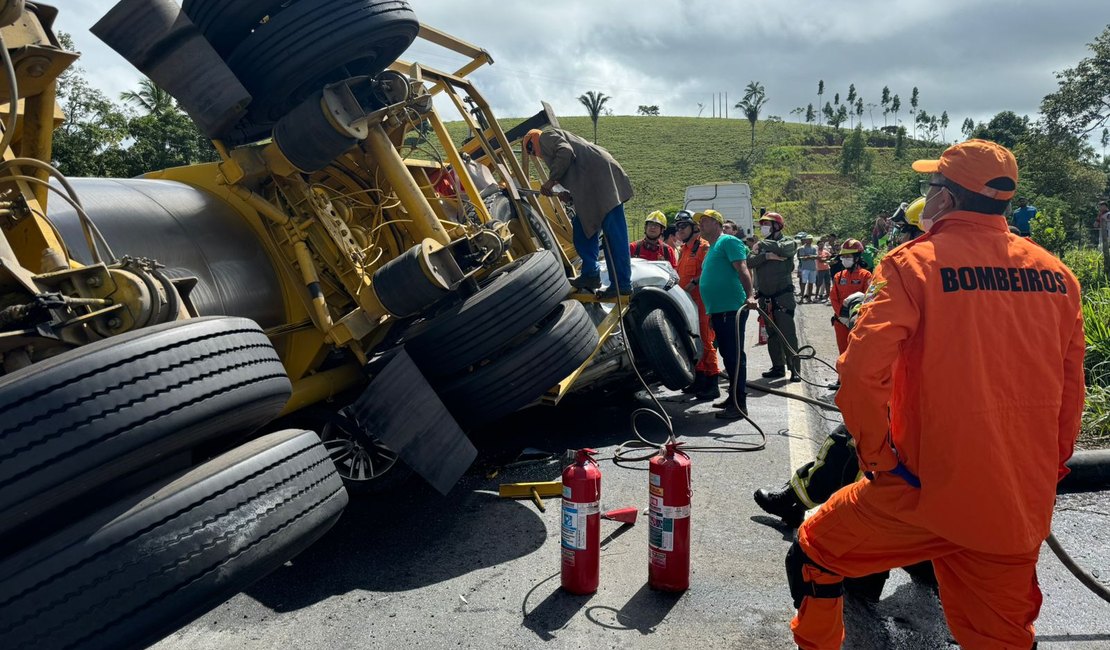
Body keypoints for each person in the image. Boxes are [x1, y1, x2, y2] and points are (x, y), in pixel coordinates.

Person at [786, 139, 1085, 650]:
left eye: (932, 186)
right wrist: (1042, 475)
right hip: (1012, 502)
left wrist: (880, 461)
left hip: (919, 491)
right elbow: (1070, 393)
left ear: (944, 200)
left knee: (814, 553)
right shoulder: (1058, 276)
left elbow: (859, 375)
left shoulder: (911, 265)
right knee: (1003, 638)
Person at [523, 128, 633, 299]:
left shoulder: (546, 136)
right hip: (592, 183)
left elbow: (566, 152)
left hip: (603, 181)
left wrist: (551, 181)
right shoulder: (550, 148)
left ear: (533, 139)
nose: (534, 154)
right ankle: (590, 274)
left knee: (614, 235)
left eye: (530, 148)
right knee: (582, 229)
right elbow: (575, 168)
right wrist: (567, 193)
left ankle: (623, 284)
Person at [697, 209, 757, 419]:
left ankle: (739, 405)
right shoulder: (712, 248)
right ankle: (732, 398)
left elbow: (742, 268)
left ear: (716, 223)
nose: (700, 225)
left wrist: (750, 295)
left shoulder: (728, 241)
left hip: (732, 309)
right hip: (720, 311)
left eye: (704, 221)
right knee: (728, 356)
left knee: (734, 357)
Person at [673, 210, 721, 400]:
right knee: (693, 340)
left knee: (706, 341)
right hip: (687, 303)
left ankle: (713, 382)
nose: (680, 230)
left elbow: (711, 270)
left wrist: (694, 282)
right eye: (677, 227)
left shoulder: (703, 247)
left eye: (683, 226)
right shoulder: (684, 249)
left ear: (694, 227)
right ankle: (699, 380)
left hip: (702, 303)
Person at [747, 212, 800, 382]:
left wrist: (762, 245)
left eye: (767, 224)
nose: (763, 228)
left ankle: (795, 370)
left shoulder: (788, 241)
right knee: (772, 335)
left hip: (782, 297)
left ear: (777, 226)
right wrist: (767, 256)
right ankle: (778, 367)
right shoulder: (762, 247)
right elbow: (749, 261)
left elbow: (784, 249)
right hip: (765, 298)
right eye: (762, 224)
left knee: (787, 334)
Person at [829, 239, 871, 355]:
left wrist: (854, 318)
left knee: (858, 353)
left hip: (858, 322)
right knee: (843, 353)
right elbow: (833, 298)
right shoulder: (838, 276)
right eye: (843, 256)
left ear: (857, 257)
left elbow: (867, 298)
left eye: (848, 256)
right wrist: (841, 316)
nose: (844, 259)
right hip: (840, 321)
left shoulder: (866, 275)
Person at [796, 233, 818, 303]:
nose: (810, 240)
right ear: (806, 240)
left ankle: (809, 298)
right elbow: (803, 258)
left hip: (813, 268)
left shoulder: (813, 248)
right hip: (805, 268)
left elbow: (815, 257)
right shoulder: (802, 248)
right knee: (803, 283)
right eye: (808, 239)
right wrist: (810, 257)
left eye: (811, 239)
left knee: (811, 283)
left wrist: (808, 256)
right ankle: (801, 298)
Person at [815, 237, 832, 302]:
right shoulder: (817, 252)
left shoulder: (825, 251)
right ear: (818, 245)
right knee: (819, 283)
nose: (821, 245)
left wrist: (825, 259)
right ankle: (816, 296)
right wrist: (826, 259)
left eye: (822, 244)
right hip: (820, 269)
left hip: (827, 269)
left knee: (828, 283)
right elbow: (820, 260)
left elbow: (829, 256)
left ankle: (828, 296)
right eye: (820, 244)